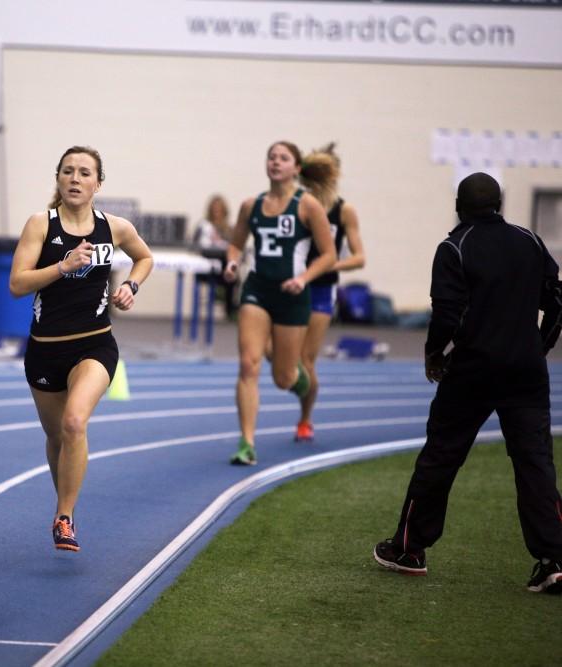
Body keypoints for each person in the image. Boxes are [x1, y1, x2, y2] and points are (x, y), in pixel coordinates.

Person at [374, 172, 562, 593]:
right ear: (500, 203)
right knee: (535, 463)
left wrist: (434, 355)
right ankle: (554, 560)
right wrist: (539, 346)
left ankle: (409, 549)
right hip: (526, 372)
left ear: (459, 206)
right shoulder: (529, 240)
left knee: (441, 455)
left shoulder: (454, 247)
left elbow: (446, 315)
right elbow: (558, 301)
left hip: (473, 371)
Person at [9, 145, 153, 552]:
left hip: (95, 345)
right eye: (68, 171)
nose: (75, 178)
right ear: (58, 179)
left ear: (98, 184)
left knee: (75, 423)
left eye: (84, 173)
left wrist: (130, 285)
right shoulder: (41, 225)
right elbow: (17, 284)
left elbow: (144, 258)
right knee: (56, 437)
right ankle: (63, 504)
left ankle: (65, 516)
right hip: (44, 350)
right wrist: (63, 266)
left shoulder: (115, 227)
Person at [223, 141, 336, 465]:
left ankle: (302, 383)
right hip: (257, 290)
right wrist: (232, 262)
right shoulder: (251, 205)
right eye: (271, 156)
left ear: (296, 168)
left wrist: (303, 279)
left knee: (284, 379)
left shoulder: (308, 205)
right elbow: (236, 244)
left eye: (283, 158)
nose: (275, 162)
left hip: (292, 295)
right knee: (248, 364)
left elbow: (328, 255)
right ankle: (246, 443)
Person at [294, 143, 366, 442]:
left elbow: (359, 257)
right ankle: (290, 380)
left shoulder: (343, 210)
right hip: (291, 285)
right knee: (282, 358)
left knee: (306, 360)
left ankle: (305, 418)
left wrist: (329, 263)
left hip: (322, 289)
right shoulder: (297, 203)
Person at [193, 194, 237, 318]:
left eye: (219, 209)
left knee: (230, 267)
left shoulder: (229, 228)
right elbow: (195, 244)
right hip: (206, 261)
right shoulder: (203, 225)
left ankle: (229, 307)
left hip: (223, 263)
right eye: (214, 209)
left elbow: (233, 247)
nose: (216, 212)